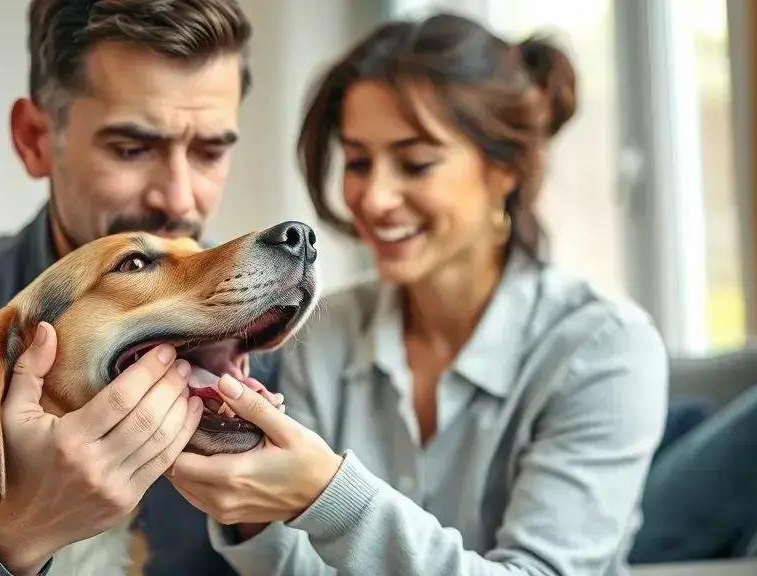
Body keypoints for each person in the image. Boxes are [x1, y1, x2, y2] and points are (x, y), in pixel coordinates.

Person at [167, 13, 670, 575]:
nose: (375, 198)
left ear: (506, 168)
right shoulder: (325, 331)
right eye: (358, 161)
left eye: (416, 163)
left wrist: (326, 497)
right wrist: (252, 512)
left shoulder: (605, 349)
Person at [0, 1, 257, 574]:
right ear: (36, 138)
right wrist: (22, 527)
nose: (182, 200)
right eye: (131, 149)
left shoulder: (260, 324)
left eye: (211, 151)